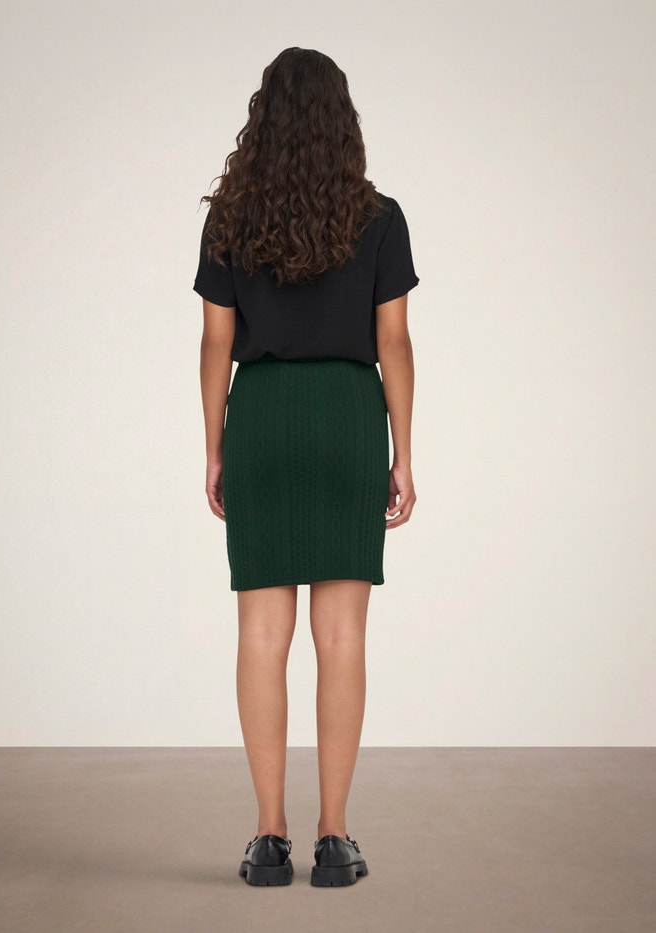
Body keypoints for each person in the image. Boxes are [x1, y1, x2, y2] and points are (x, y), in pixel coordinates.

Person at [193, 47, 419, 887]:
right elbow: (393, 339)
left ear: (263, 120)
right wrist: (403, 451)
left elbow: (216, 341)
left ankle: (266, 839)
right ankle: (334, 838)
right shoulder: (380, 217)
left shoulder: (231, 217)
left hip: (262, 413)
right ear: (341, 121)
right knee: (341, 634)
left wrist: (216, 445)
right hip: (347, 417)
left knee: (261, 632)